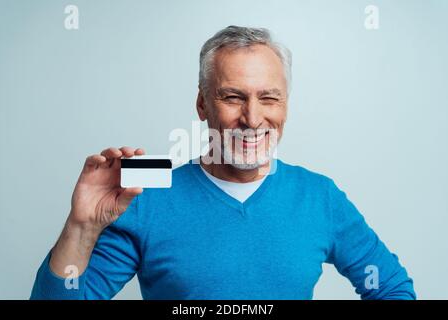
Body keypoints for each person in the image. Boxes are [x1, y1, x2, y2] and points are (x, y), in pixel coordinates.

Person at [30, 25, 416, 300]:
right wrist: (80, 227)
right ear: (202, 104)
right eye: (233, 97)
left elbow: (392, 288)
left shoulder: (319, 196)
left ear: (285, 105)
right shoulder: (147, 191)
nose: (252, 118)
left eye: (269, 98)